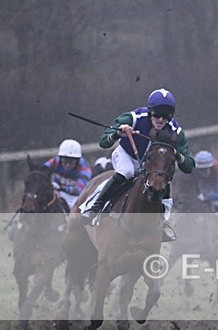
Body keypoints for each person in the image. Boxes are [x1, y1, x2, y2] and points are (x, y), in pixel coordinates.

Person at [82, 87, 195, 242]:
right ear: (149, 112)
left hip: (152, 165)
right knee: (127, 172)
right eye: (157, 114)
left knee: (163, 182)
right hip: (127, 156)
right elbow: (103, 142)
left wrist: (177, 155)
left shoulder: (175, 131)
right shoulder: (133, 118)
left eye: (166, 116)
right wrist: (118, 133)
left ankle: (162, 224)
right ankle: (95, 206)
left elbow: (189, 166)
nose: (161, 120)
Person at [44, 139, 92, 209]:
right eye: (65, 161)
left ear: (78, 160)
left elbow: (78, 190)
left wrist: (61, 188)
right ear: (60, 158)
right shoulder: (55, 161)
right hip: (58, 192)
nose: (67, 165)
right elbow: (41, 171)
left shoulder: (85, 168)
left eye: (71, 162)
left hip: (76, 197)